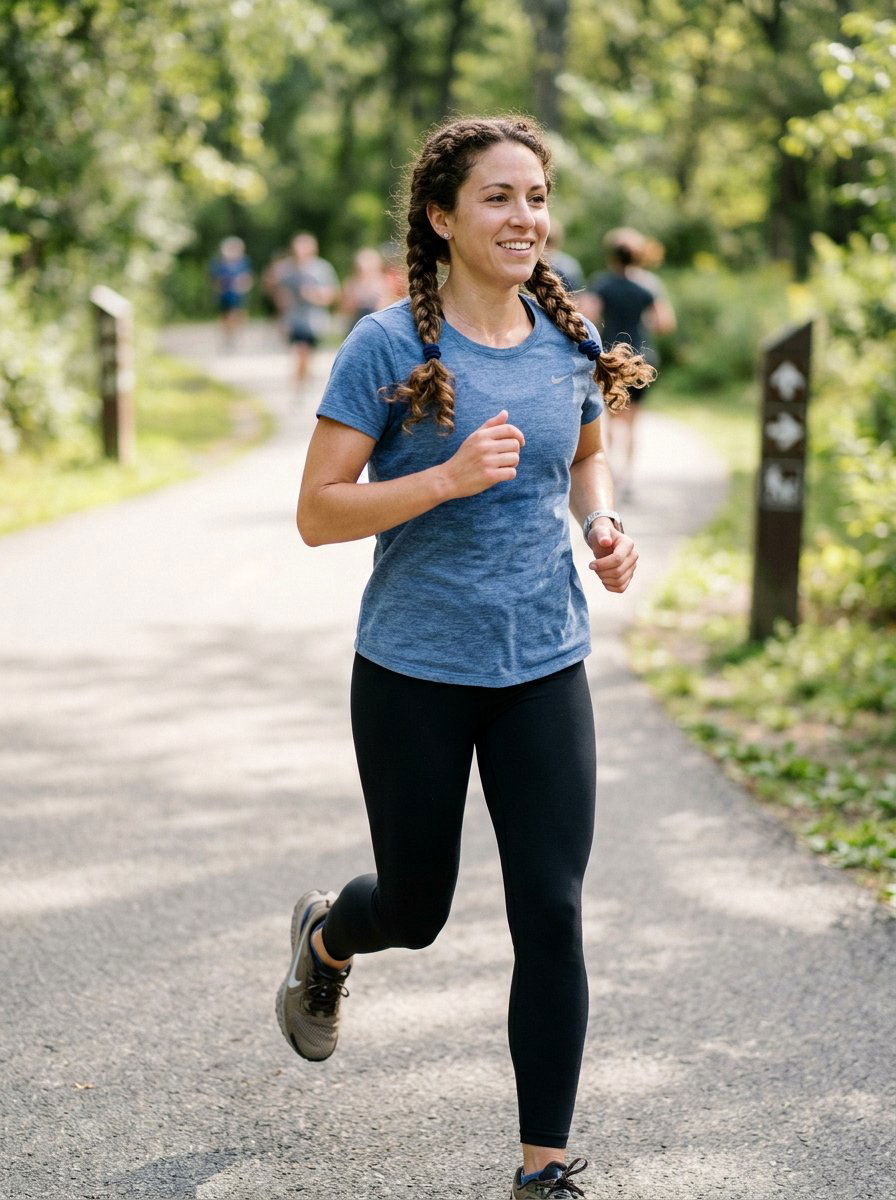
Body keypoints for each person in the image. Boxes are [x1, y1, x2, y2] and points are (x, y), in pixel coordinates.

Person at [277, 116, 653, 1200]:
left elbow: (583, 459)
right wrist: (442, 478)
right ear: (441, 218)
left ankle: (543, 1169)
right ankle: (328, 937)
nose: (524, 217)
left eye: (536, 197)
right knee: (417, 908)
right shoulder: (387, 344)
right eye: (497, 197)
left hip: (543, 662)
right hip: (414, 671)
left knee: (552, 910)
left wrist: (601, 527)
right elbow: (317, 513)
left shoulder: (566, 337)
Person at [581, 228, 676, 499]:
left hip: (611, 358)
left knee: (611, 417)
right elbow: (665, 323)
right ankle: (630, 477)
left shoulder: (602, 284)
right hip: (641, 359)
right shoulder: (649, 285)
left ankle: (610, 471)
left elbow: (586, 314)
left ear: (612, 255)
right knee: (634, 421)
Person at [273, 232, 339, 386]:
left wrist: (312, 295)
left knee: (307, 352)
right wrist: (281, 303)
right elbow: (276, 289)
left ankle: (303, 378)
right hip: (293, 319)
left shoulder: (322, 268)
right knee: (300, 350)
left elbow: (332, 294)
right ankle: (299, 381)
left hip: (314, 320)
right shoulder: (287, 269)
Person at [209, 236, 253, 348]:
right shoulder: (219, 262)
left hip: (238, 294)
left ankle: (235, 335)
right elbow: (215, 280)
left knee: (237, 315)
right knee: (225, 316)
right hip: (225, 294)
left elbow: (247, 278)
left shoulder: (243, 262)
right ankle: (228, 337)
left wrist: (243, 285)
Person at [338, 247, 394, 331]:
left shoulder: (383, 283)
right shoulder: (351, 283)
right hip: (356, 325)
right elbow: (344, 309)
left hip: (376, 325)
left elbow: (386, 308)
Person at [544, 223, 585, 294]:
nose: (545, 245)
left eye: (548, 240)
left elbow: (577, 293)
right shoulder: (570, 264)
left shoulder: (569, 266)